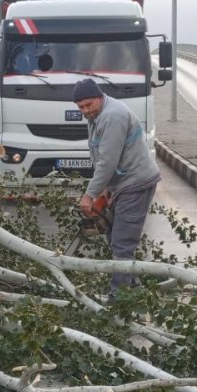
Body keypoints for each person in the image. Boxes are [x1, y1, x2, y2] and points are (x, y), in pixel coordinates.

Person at [72, 78, 161, 300]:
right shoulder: (96, 116)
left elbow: (107, 162)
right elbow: (99, 154)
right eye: (81, 107)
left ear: (99, 98)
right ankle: (134, 289)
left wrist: (89, 195)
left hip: (135, 183)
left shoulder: (112, 116)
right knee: (114, 238)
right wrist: (104, 190)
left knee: (122, 244)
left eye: (88, 105)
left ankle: (118, 300)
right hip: (122, 184)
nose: (85, 111)